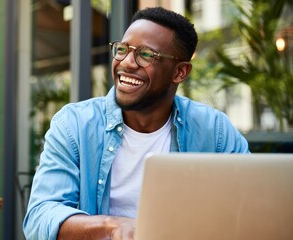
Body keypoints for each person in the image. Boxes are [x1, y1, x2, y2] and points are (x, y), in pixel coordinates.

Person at [23, 6, 250, 240]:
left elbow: (251, 205)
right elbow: (41, 218)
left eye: (145, 55)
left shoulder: (215, 131)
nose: (127, 63)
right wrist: (114, 226)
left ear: (180, 72)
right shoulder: (74, 125)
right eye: (122, 49)